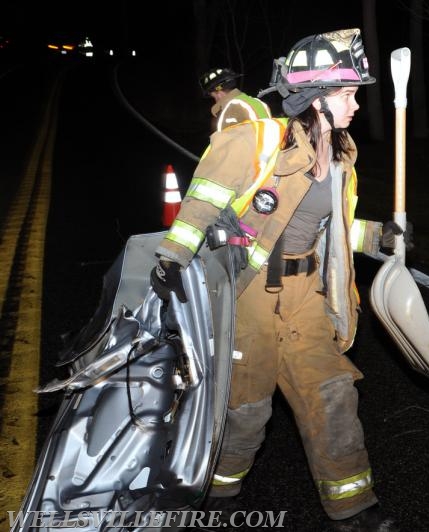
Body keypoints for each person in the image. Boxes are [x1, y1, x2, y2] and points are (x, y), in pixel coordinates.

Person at [152, 29, 401, 530]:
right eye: (347, 94)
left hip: (307, 294)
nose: (356, 105)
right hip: (249, 295)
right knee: (245, 409)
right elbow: (200, 204)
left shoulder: (343, 154)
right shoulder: (254, 141)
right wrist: (172, 261)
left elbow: (332, 227)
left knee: (332, 394)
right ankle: (218, 496)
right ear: (314, 98)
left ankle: (353, 507)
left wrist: (380, 236)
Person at [199, 67, 272, 131]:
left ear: (219, 94)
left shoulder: (232, 109)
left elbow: (226, 143)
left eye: (214, 97)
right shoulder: (257, 102)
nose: (215, 101)